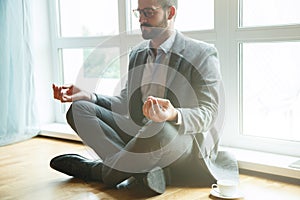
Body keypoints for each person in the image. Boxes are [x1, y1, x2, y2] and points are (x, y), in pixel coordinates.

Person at [50, 0, 239, 195]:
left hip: (177, 140)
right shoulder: (138, 53)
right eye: (138, 12)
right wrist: (89, 96)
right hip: (138, 134)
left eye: (148, 12)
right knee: (79, 110)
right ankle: (145, 170)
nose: (141, 19)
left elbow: (210, 113)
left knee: (157, 128)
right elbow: (124, 104)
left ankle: (98, 171)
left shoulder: (202, 54)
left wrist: (174, 114)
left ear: (170, 12)